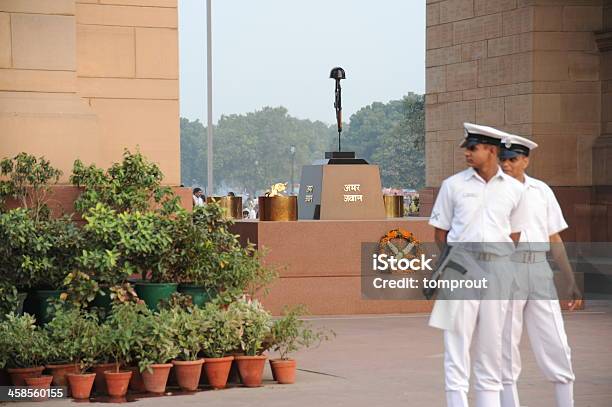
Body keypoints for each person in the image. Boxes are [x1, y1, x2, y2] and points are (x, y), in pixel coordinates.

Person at [428, 123, 529, 407]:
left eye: (473, 148)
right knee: (456, 345)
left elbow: (515, 234)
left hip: (498, 271)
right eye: (467, 148)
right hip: (461, 270)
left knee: (491, 347)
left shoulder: (514, 190)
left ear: (491, 150)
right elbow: (440, 232)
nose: (467, 154)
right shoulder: (453, 186)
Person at [499, 135, 580, 407]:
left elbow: (554, 238)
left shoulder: (541, 191)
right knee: (506, 349)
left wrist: (569, 280)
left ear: (526, 160)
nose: (507, 164)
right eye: (503, 159)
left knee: (557, 343)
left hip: (539, 268)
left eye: (512, 159)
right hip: (507, 270)